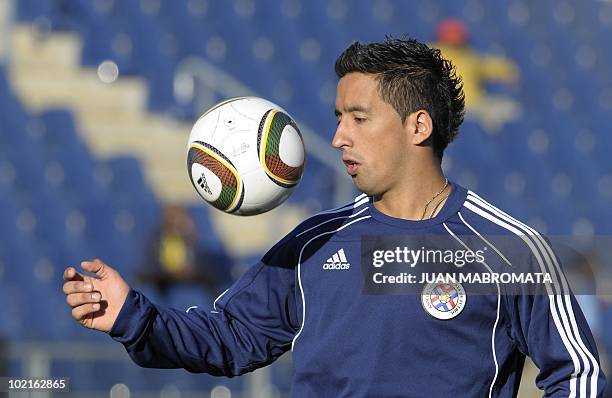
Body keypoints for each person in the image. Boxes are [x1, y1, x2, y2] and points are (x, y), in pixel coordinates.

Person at [62, 37, 605, 397]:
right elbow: (230, 338)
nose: (337, 136)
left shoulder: (507, 248)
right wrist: (132, 317)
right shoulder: (312, 245)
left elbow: (577, 373)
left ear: (418, 128)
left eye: (359, 118)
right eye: (338, 117)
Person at [431, 17, 521, 132]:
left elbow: (490, 66)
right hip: (448, 107)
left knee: (513, 109)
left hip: (475, 105)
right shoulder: (431, 54)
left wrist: (509, 72)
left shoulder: (468, 56)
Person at [137, 204, 224, 298]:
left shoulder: (185, 233)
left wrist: (187, 230)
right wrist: (168, 270)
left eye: (177, 216)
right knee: (145, 278)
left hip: (186, 272)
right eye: (171, 216)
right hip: (164, 273)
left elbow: (194, 253)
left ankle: (215, 305)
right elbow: (152, 257)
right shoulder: (157, 235)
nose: (174, 219)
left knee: (209, 277)